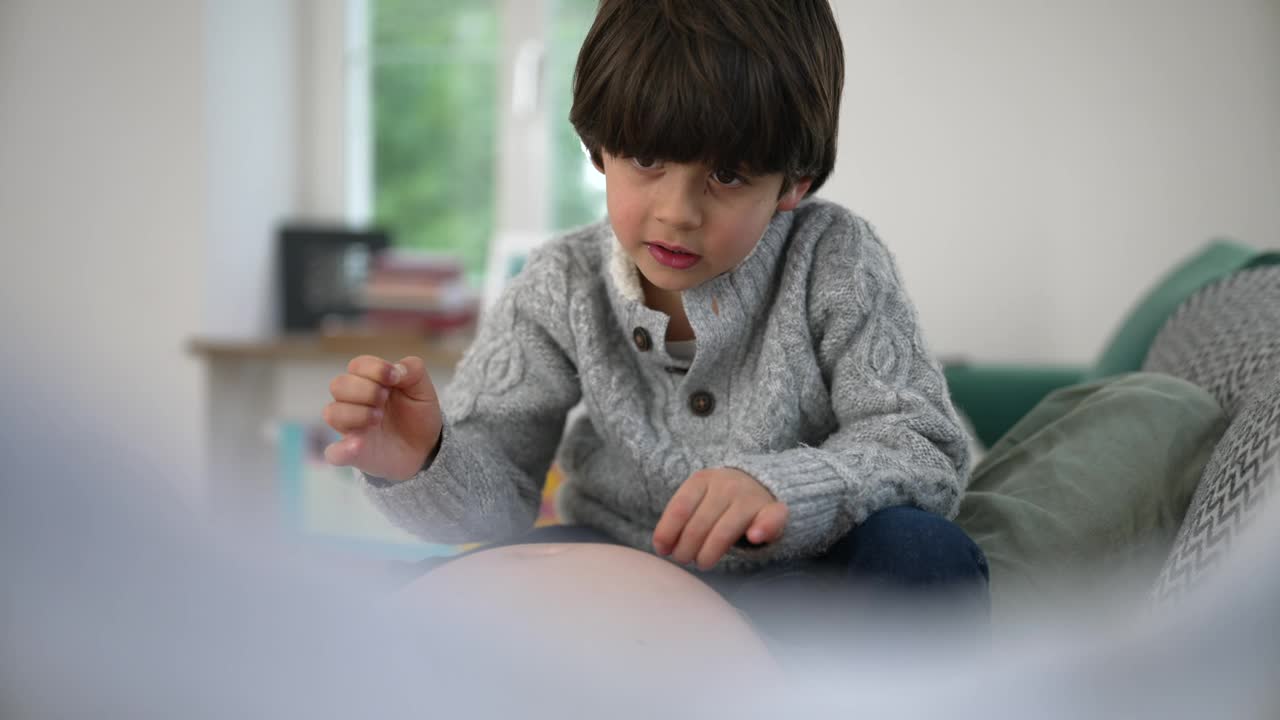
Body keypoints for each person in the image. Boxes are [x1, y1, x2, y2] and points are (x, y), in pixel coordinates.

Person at [322, 0, 989, 653]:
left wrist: (784, 486)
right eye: (647, 160)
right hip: (619, 562)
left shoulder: (836, 257)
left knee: (924, 551)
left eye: (727, 175)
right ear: (598, 147)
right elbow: (495, 507)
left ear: (793, 182)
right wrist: (424, 459)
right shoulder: (562, 280)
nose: (677, 212)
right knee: (414, 602)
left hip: (802, 574)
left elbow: (924, 445)